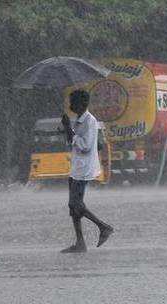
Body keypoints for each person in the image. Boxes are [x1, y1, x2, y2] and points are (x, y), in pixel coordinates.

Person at [60, 89, 114, 253]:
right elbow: (73, 143)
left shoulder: (90, 121)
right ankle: (80, 242)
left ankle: (103, 227)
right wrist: (67, 129)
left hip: (84, 168)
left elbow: (86, 146)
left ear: (82, 104)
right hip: (76, 166)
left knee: (76, 203)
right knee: (72, 207)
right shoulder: (78, 120)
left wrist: (71, 131)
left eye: (73, 102)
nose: (70, 105)